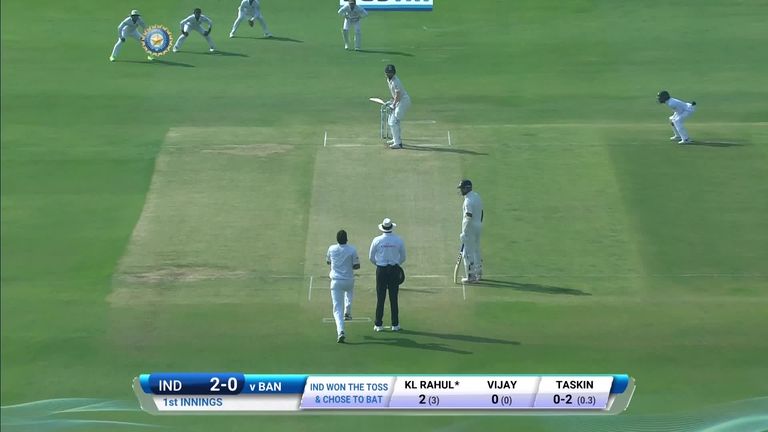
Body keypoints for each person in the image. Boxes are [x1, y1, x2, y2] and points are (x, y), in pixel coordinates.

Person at [369, 218, 406, 332]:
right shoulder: (398, 240)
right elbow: (403, 257)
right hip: (394, 269)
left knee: (380, 298)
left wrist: (379, 264)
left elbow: (371, 257)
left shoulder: (377, 240)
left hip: (381, 270)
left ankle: (378, 324)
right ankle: (395, 324)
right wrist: (396, 264)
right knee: (393, 298)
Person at [326, 229, 360, 343]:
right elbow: (357, 266)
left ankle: (340, 331)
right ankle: (348, 311)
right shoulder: (352, 250)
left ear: (337, 239)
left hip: (336, 282)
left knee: (337, 309)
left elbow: (328, 262)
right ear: (346, 239)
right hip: (348, 280)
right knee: (349, 292)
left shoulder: (331, 249)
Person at [458, 179, 484, 283]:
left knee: (467, 252)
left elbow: (468, 217)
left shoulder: (468, 201)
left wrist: (464, 232)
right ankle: (479, 273)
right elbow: (481, 212)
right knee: (476, 249)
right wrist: (479, 223)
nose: (461, 190)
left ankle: (471, 276)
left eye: (462, 188)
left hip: (470, 228)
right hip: (478, 226)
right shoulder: (477, 196)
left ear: (466, 188)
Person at [384, 64, 411, 149]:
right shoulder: (389, 80)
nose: (389, 74)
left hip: (403, 101)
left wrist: (393, 105)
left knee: (394, 121)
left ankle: (398, 143)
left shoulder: (396, 81)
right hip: (398, 101)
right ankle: (396, 139)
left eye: (391, 72)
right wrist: (391, 101)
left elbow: (398, 95)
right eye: (388, 72)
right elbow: (394, 94)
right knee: (391, 121)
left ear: (394, 73)